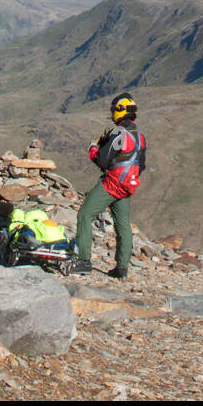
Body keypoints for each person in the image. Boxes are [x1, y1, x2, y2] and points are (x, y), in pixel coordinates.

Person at [74, 94, 146, 279]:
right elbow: (141, 165)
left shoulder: (119, 134)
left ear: (119, 111)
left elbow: (102, 160)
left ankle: (83, 261)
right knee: (122, 225)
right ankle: (122, 268)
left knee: (85, 214)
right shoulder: (140, 137)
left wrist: (93, 148)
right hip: (127, 187)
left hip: (111, 184)